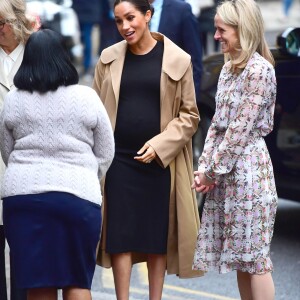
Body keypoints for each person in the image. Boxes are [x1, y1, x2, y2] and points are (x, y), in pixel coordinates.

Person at [93, 0, 203, 299]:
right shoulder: (108, 58)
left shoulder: (178, 59)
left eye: (131, 18)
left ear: (148, 15)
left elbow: (190, 115)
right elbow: (94, 111)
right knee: (120, 237)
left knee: (156, 237)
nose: (125, 27)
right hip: (118, 161)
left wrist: (159, 145)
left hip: (159, 163)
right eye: (118, 21)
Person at [0, 29, 114, 300]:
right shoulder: (86, 97)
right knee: (77, 281)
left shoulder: (14, 100)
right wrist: (86, 174)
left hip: (23, 201)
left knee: (39, 283)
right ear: (63, 58)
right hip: (77, 199)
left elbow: (7, 150)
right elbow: (106, 149)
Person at [192, 1, 278, 299]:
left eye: (221, 30)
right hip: (228, 174)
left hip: (250, 173)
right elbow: (217, 125)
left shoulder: (260, 71)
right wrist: (205, 168)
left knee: (256, 261)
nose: (216, 36)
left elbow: (240, 130)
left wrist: (211, 171)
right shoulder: (229, 68)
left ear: (243, 30)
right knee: (242, 261)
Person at [0, 1, 37, 299]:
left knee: (26, 246)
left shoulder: (37, 51)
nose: (0, 29)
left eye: (3, 22)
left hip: (30, 161)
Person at [148, 0, 203, 106]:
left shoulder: (181, 10)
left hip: (173, 99)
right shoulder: (130, 9)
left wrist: (190, 104)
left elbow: (194, 61)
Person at [72, 0, 102, 76]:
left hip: (84, 11)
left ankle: (87, 65)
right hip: (89, 11)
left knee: (86, 39)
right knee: (86, 38)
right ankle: (87, 64)